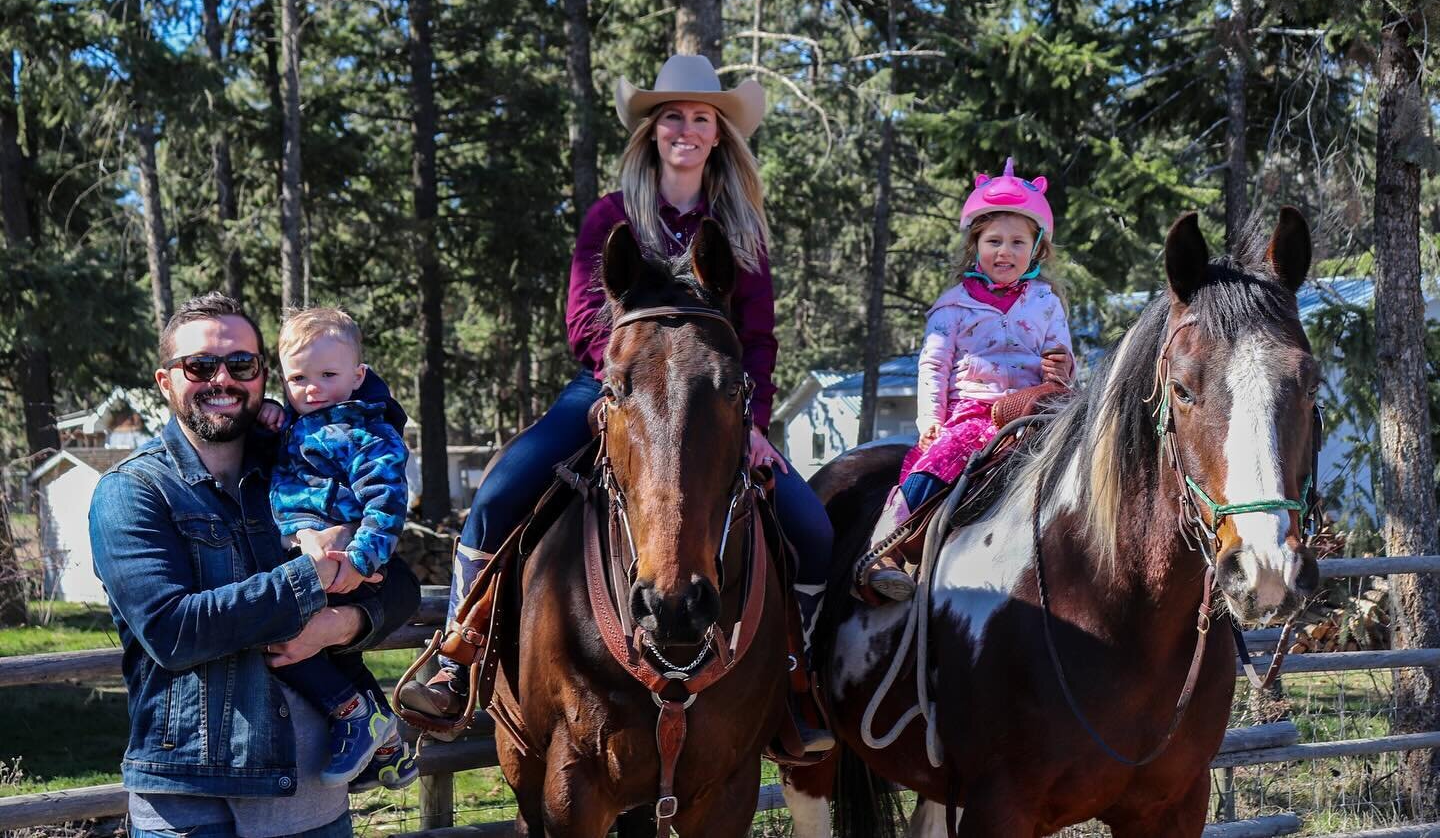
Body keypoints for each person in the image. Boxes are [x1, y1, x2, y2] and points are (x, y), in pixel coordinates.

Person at [400, 54, 834, 751]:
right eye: (673, 118)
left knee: (811, 531)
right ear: (653, 131)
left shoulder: (741, 226)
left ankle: (795, 682)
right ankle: (460, 657)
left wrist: (752, 424)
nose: (687, 130)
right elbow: (582, 322)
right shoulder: (612, 214)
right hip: (617, 386)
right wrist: (645, 369)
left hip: (714, 401)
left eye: (701, 118)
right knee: (502, 490)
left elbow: (759, 337)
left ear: (719, 134)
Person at [89, 293, 421, 838]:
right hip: (191, 807)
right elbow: (174, 632)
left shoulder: (300, 468)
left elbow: (400, 585)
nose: (222, 378)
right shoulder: (131, 492)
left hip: (310, 800)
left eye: (240, 364)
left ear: (262, 376)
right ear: (165, 381)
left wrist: (339, 624)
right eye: (200, 365)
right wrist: (311, 575)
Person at [862, 158, 1075, 602]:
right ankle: (885, 545)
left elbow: (1062, 352)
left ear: (1036, 249)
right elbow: (933, 366)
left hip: (1036, 407)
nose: (1005, 251)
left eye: (1018, 241)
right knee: (938, 461)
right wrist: (929, 421)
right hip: (975, 411)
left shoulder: (1047, 303)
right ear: (975, 246)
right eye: (994, 240)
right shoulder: (953, 306)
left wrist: (1062, 367)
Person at [258, 306, 418, 788]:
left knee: (286, 639)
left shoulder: (366, 432)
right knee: (337, 654)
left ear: (358, 376)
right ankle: (387, 747)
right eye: (298, 378)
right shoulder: (295, 421)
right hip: (300, 542)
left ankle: (354, 714)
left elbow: (386, 501)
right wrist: (272, 411)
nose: (312, 388)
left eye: (328, 375)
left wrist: (362, 557)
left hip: (337, 557)